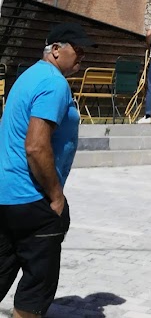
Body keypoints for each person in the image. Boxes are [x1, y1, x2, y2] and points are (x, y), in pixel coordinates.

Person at [0, 22, 96, 318]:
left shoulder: (28, 76)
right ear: (56, 50)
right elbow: (36, 145)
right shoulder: (54, 83)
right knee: (34, 293)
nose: (82, 58)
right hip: (34, 199)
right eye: (77, 51)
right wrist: (56, 197)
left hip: (7, 196)